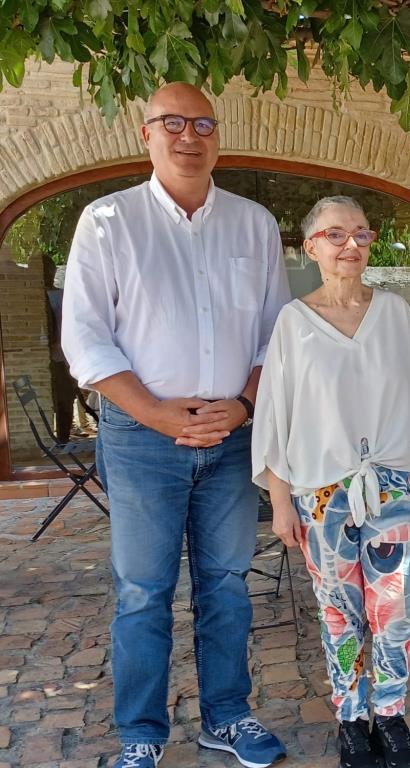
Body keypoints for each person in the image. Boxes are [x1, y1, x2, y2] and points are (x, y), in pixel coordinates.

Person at [62, 82, 291, 768]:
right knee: (142, 591)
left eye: (202, 124)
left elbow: (275, 336)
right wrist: (156, 412)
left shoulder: (254, 224)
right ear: (146, 134)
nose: (188, 136)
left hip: (231, 434)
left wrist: (246, 406)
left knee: (226, 584)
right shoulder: (107, 221)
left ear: (216, 135)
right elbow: (86, 339)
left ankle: (227, 717)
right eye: (172, 123)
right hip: (141, 438)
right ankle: (141, 732)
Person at [252, 195, 410, 768]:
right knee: (339, 609)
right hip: (321, 491)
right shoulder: (293, 323)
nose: (350, 246)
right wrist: (280, 502)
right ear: (311, 246)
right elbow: (274, 418)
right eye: (335, 235)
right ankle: (350, 719)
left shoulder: (394, 312)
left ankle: (389, 717)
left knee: (396, 608)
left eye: (361, 234)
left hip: (391, 485)